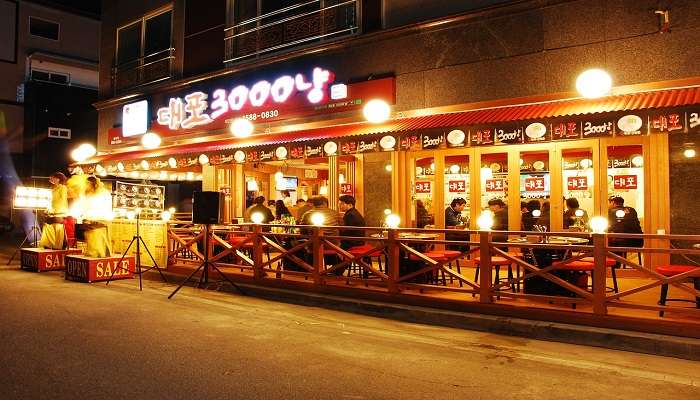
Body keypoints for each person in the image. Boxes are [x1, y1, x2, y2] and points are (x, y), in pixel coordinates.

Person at [80, 176, 113, 258]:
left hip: (101, 219)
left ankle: (99, 253)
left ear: (92, 184)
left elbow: (102, 207)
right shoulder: (89, 194)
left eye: (87, 184)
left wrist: (93, 217)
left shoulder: (102, 193)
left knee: (96, 232)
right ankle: (92, 252)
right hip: (92, 219)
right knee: (89, 233)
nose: (86, 186)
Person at [39, 172, 69, 249]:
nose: (50, 179)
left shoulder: (62, 188)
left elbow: (62, 200)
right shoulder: (52, 189)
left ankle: (58, 246)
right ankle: (49, 245)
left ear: (58, 179)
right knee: (48, 227)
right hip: (51, 212)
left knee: (57, 228)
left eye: (52, 177)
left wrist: (56, 211)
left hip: (58, 212)